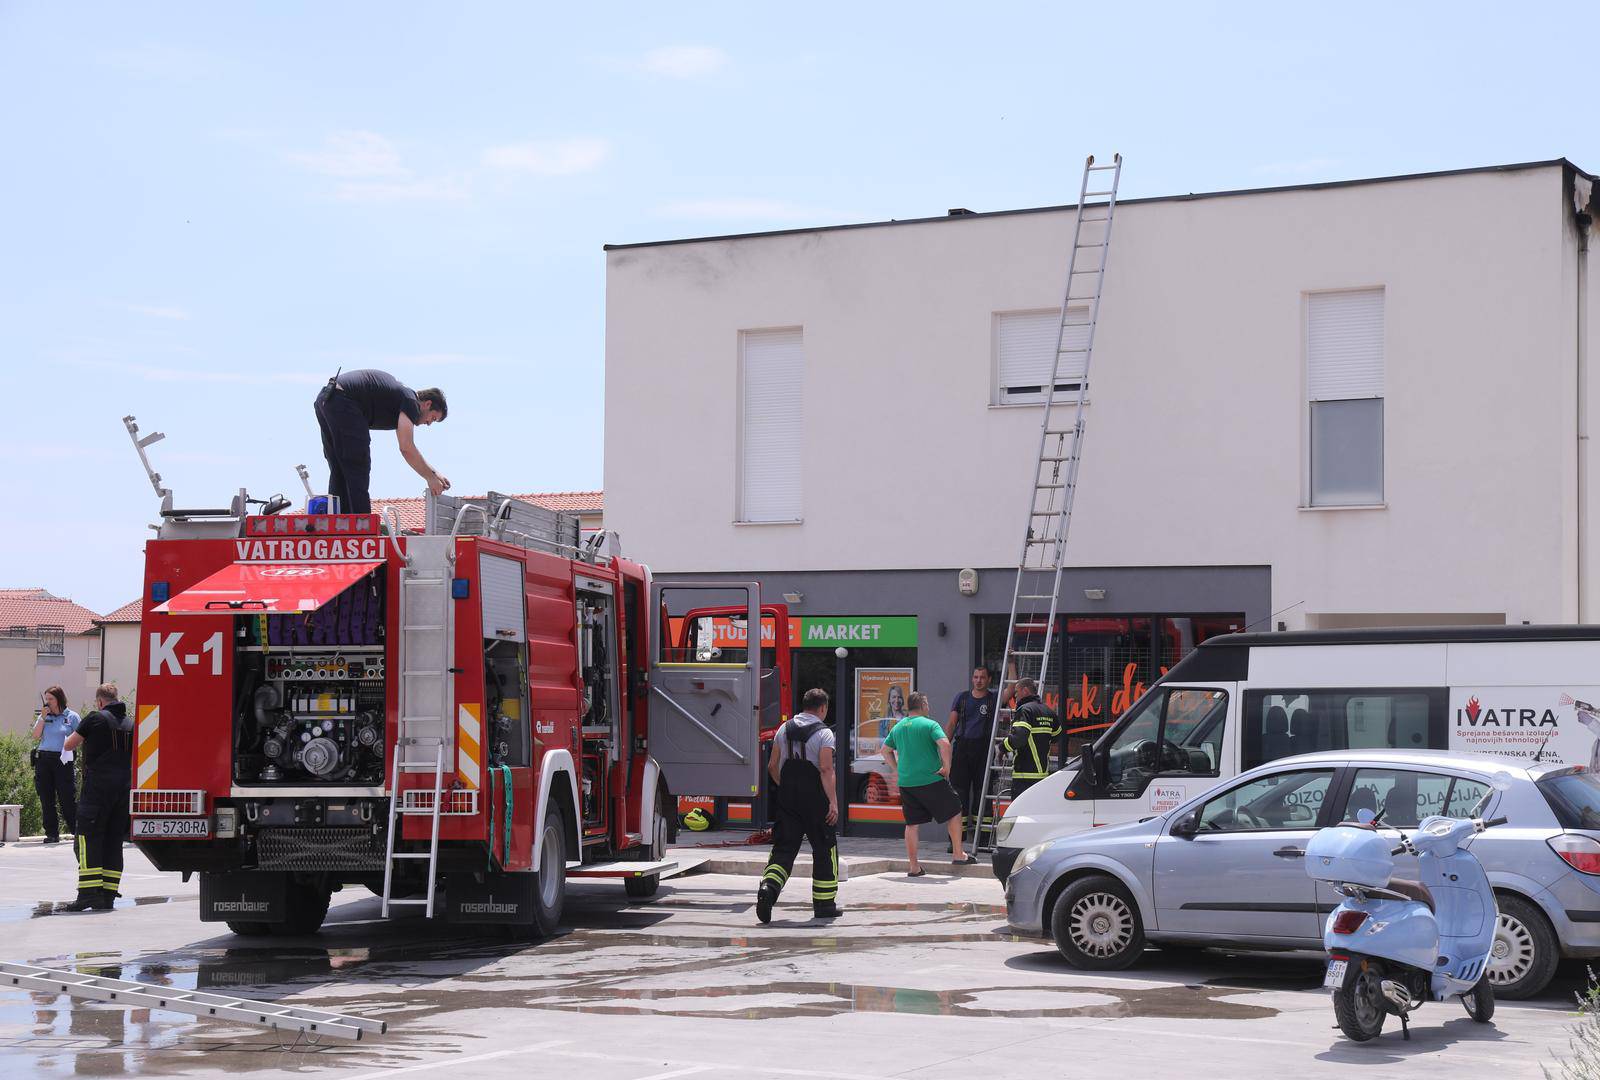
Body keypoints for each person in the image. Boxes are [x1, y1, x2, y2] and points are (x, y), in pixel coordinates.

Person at [756, 688, 842, 923]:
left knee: (783, 849)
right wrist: (832, 802)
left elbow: (772, 766)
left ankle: (768, 889)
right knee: (825, 849)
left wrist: (786, 788)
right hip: (815, 800)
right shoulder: (825, 734)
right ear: (823, 708)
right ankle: (824, 905)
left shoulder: (784, 729)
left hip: (788, 798)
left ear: (804, 705)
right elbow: (825, 769)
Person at [313, 369, 449, 514]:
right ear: (427, 404)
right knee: (358, 465)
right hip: (344, 401)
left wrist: (434, 473)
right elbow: (406, 447)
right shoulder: (411, 401)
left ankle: (339, 520)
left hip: (326, 399)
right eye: (433, 418)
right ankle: (362, 524)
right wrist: (429, 478)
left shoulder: (401, 397)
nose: (428, 424)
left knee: (339, 467)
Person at [881, 692, 974, 875]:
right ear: (923, 704)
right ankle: (958, 854)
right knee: (955, 810)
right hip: (930, 779)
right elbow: (945, 745)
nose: (929, 707)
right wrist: (947, 767)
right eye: (927, 703)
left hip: (907, 783)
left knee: (912, 824)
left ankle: (914, 867)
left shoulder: (898, 727)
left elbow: (885, 750)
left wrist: (897, 769)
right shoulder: (930, 724)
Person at [60, 684, 133, 912]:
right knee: (113, 840)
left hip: (98, 788)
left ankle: (88, 895)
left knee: (87, 838)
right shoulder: (131, 724)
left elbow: (69, 744)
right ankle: (108, 895)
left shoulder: (95, 718)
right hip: (123, 789)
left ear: (100, 701)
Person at [947, 666, 1002, 840]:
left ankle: (983, 839)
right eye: (976, 677)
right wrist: (943, 749)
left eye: (982, 677)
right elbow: (951, 725)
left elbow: (1010, 689)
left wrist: (1011, 663)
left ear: (989, 680)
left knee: (982, 793)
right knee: (958, 794)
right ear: (972, 679)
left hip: (984, 749)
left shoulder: (993, 698)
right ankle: (956, 840)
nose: (978, 680)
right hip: (962, 749)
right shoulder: (962, 698)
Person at [31, 687, 79, 844]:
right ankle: (52, 833)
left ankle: (77, 831)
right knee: (46, 798)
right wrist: (42, 718)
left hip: (63, 760)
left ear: (59, 699)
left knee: (67, 797)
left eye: (50, 699)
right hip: (44, 759)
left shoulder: (72, 716)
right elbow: (35, 736)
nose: (47, 702)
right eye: (46, 699)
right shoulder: (44, 716)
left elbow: (81, 736)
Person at [1003, 678, 1062, 798]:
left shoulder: (1025, 710)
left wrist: (1002, 747)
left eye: (1016, 692)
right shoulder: (1048, 711)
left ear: (1025, 691)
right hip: (1042, 776)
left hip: (1024, 775)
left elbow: (1019, 739)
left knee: (1019, 814)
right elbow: (1057, 736)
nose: (1015, 696)